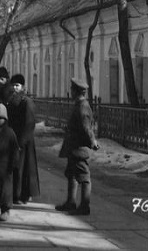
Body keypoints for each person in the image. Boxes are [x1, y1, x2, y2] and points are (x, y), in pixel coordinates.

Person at [55, 78, 100, 216]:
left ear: (77, 91)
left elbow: (86, 127)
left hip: (79, 148)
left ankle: (85, 206)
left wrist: (92, 141)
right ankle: (71, 202)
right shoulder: (79, 104)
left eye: (72, 89)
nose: (71, 92)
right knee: (72, 174)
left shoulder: (82, 107)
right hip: (73, 146)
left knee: (84, 176)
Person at [7, 73, 40, 204]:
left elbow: (29, 123)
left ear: (22, 87)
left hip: (24, 142)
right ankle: (17, 194)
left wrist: (21, 142)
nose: (15, 88)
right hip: (15, 139)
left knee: (23, 169)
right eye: (13, 85)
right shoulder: (12, 100)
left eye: (17, 85)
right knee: (17, 168)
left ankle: (22, 195)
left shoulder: (27, 102)